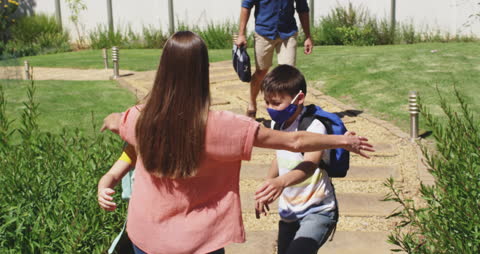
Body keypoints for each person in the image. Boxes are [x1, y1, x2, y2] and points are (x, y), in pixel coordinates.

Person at [100, 31, 373, 254]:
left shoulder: (137, 119)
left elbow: (116, 123)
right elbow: (295, 141)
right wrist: (342, 140)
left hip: (146, 237)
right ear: (201, 71)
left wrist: (108, 175)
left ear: (164, 69)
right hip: (199, 242)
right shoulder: (223, 126)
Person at [254, 65, 342, 254]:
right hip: (289, 212)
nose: (270, 109)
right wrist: (268, 186)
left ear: (299, 99)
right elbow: (279, 157)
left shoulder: (313, 127)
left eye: (276, 103)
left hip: (318, 210)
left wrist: (281, 182)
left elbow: (310, 164)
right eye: (266, 102)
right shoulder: (278, 124)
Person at [236, 0, 313, 118]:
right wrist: (241, 34)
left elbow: (302, 8)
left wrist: (308, 36)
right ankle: (252, 102)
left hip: (288, 34)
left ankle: (285, 112)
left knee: (287, 75)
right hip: (263, 33)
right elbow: (246, 5)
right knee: (261, 72)